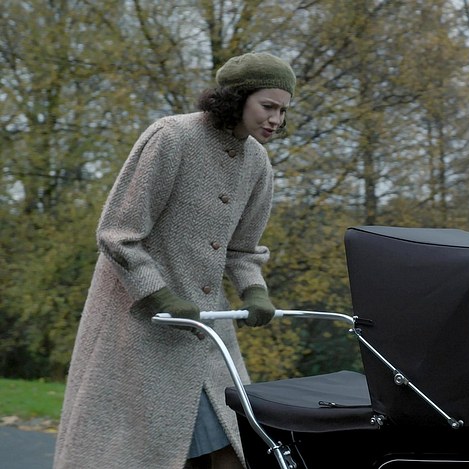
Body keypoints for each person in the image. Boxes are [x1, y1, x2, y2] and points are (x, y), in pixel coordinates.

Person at [53, 52, 296, 469]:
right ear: (237, 98)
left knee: (237, 448)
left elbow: (242, 249)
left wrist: (254, 291)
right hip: (139, 328)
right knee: (141, 453)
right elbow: (117, 233)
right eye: (268, 106)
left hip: (209, 331)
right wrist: (159, 296)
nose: (276, 119)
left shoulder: (258, 161)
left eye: (284, 111)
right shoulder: (172, 137)